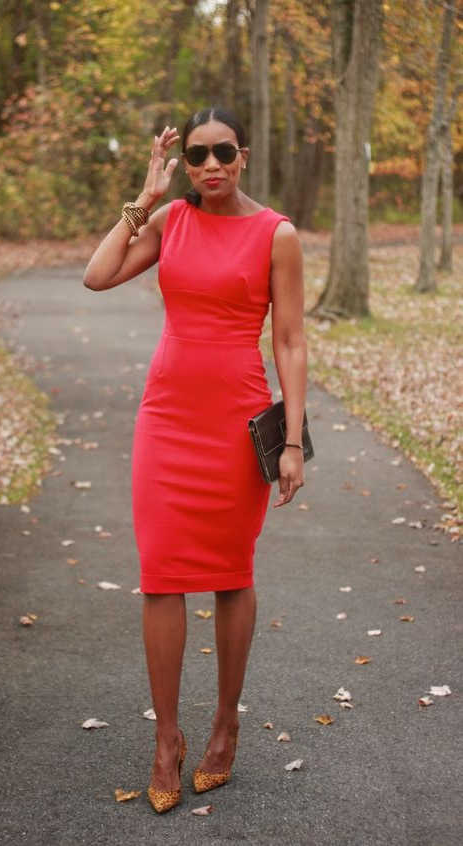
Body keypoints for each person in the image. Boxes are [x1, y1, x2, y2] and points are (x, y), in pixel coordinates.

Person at [83, 105, 307, 813]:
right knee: (161, 576)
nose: (211, 166)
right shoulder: (171, 221)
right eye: (198, 155)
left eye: (223, 153)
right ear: (186, 163)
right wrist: (144, 199)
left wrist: (294, 441)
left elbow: (292, 343)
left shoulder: (278, 234)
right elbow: (97, 275)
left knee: (231, 575)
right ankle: (167, 739)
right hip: (167, 416)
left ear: (244, 155)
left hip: (236, 421)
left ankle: (225, 723)